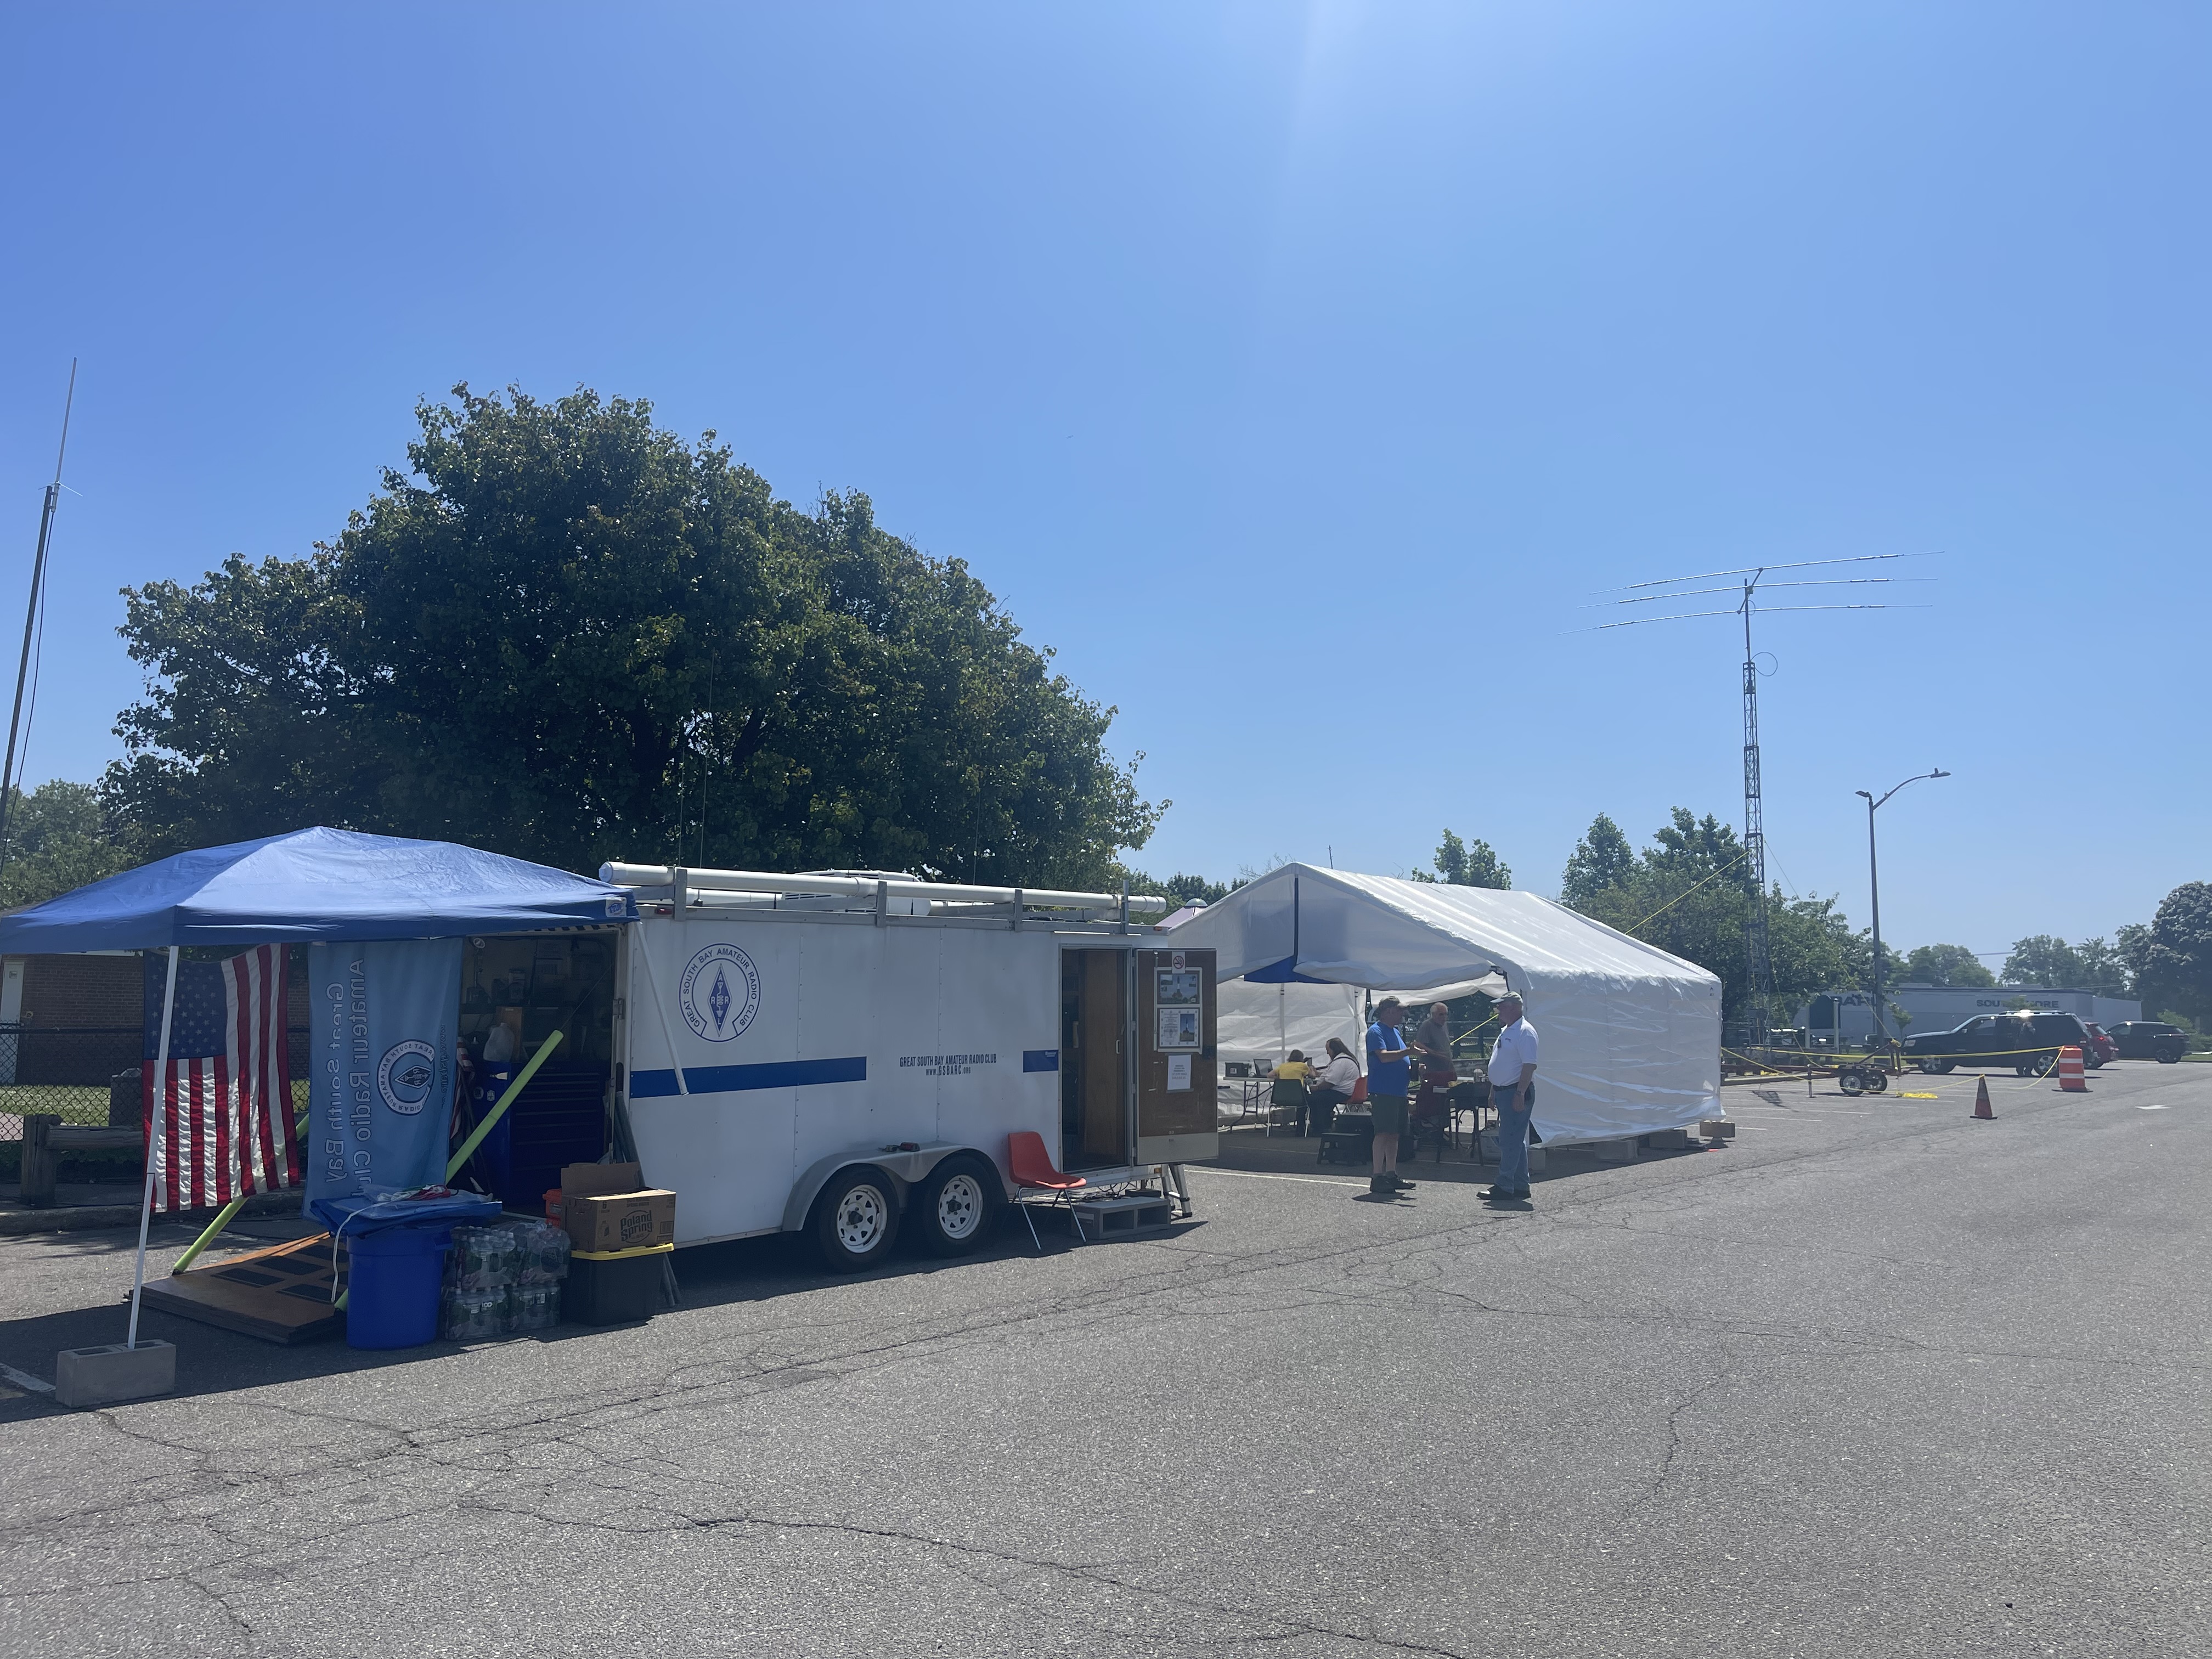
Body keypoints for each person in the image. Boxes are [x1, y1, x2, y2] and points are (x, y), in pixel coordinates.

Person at [1482, 992, 1539, 1205]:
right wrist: (1494, 1089)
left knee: (1509, 1140)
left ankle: (1505, 1185)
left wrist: (1519, 1094)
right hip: (1505, 1091)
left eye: (1502, 1006)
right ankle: (1520, 1185)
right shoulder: (1507, 1030)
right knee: (1515, 1140)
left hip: (1515, 1091)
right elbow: (1502, 1062)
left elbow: (1529, 1066)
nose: (1498, 1010)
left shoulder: (1525, 1032)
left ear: (1514, 1007)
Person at [1364, 997, 1416, 1197]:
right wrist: (1408, 1051)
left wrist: (1413, 1067)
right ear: (1387, 1011)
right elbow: (1384, 1056)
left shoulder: (1394, 1031)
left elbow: (1398, 1058)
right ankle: (1377, 1176)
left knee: (1395, 1134)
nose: (1403, 1014)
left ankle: (1391, 1174)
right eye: (1399, 1010)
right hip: (1384, 1090)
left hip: (1398, 1091)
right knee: (1383, 1133)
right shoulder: (1376, 1031)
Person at [1308, 1037, 1358, 1138]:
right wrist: (1318, 1075)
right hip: (1345, 1091)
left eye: (1328, 1050)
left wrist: (1317, 1088)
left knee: (1314, 1098)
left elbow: (1330, 1082)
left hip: (1342, 1093)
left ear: (1334, 1049)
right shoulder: (1345, 1059)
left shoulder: (1341, 1062)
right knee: (1319, 1098)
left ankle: (1321, 1128)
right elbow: (1332, 1074)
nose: (1327, 1053)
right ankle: (1324, 1124)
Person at [1271, 1049, 1313, 1135]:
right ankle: (1302, 1128)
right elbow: (1313, 1076)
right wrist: (1311, 1068)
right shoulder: (1303, 1066)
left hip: (1282, 1097)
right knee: (1307, 1103)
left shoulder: (1283, 1066)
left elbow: (1270, 1075)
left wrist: (1280, 1079)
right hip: (1298, 1097)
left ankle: (1299, 1129)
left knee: (1302, 1102)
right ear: (1301, 1058)